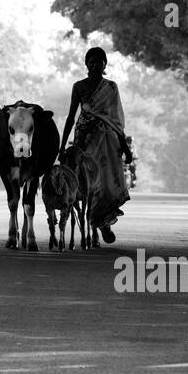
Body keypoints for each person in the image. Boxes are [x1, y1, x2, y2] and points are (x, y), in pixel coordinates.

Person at [59, 47, 130, 243]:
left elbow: (116, 120)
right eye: (91, 61)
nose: (95, 65)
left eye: (99, 62)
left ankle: (102, 223)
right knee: (85, 182)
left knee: (104, 182)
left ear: (105, 64)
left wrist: (125, 146)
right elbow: (71, 117)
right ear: (86, 64)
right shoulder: (78, 87)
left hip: (107, 141)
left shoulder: (112, 88)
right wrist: (62, 146)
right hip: (84, 141)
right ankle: (93, 223)